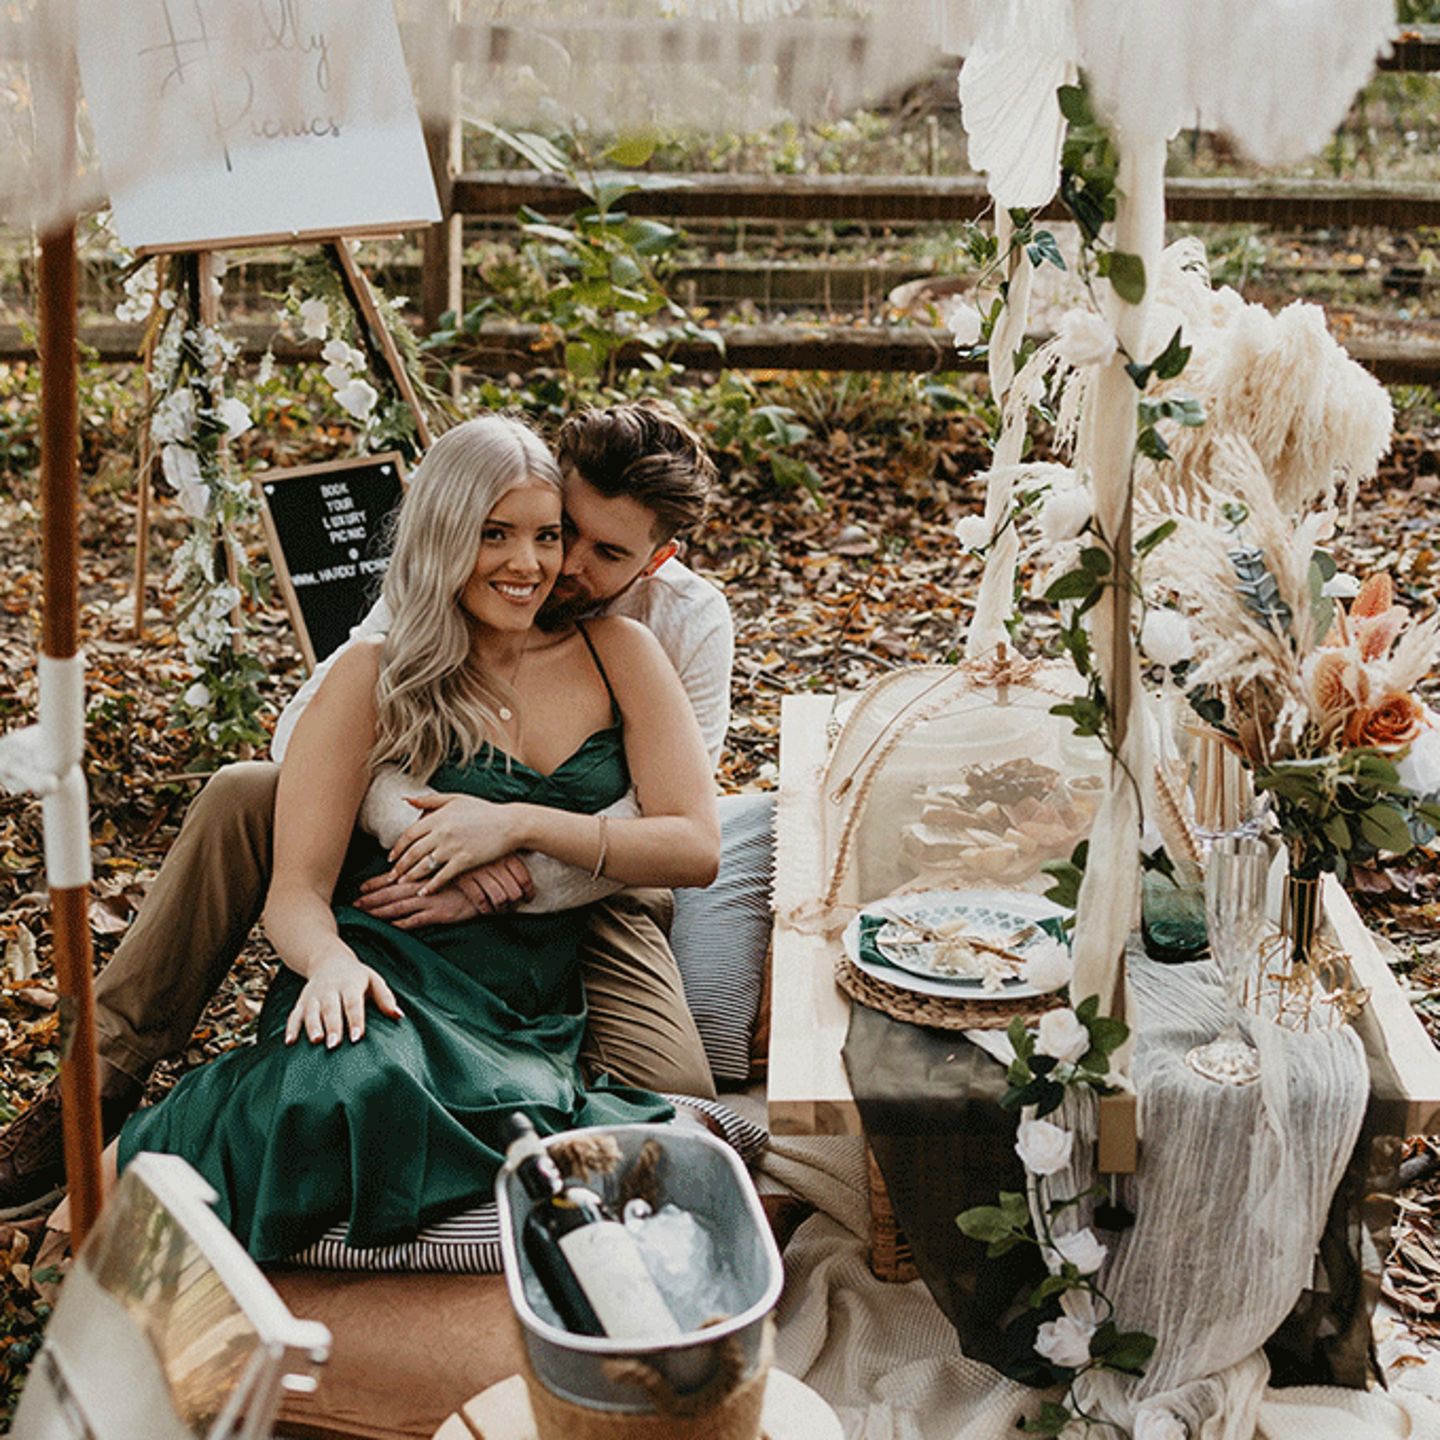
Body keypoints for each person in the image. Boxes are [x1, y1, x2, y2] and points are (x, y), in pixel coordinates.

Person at [0, 401, 733, 1220]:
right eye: (533, 528)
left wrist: (509, 843)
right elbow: (304, 733)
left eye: (594, 550)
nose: (550, 566)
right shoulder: (419, 612)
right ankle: (92, 1082)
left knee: (673, 1106)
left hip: (596, 889)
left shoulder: (674, 631)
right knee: (246, 793)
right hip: (416, 886)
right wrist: (419, 837)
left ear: (657, 558)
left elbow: (683, 830)